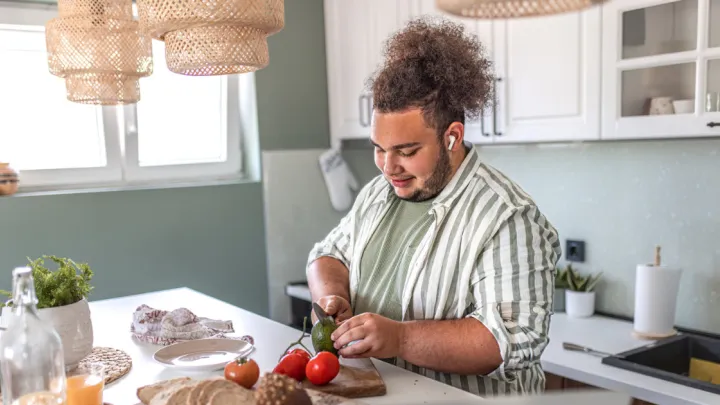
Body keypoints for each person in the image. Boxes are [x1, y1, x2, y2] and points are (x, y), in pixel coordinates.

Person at [306, 17, 561, 397]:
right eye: (378, 148)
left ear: (452, 137)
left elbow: (508, 341)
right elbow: (328, 254)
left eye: (406, 152)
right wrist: (333, 296)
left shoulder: (507, 217)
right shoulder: (378, 194)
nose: (388, 167)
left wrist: (400, 338)